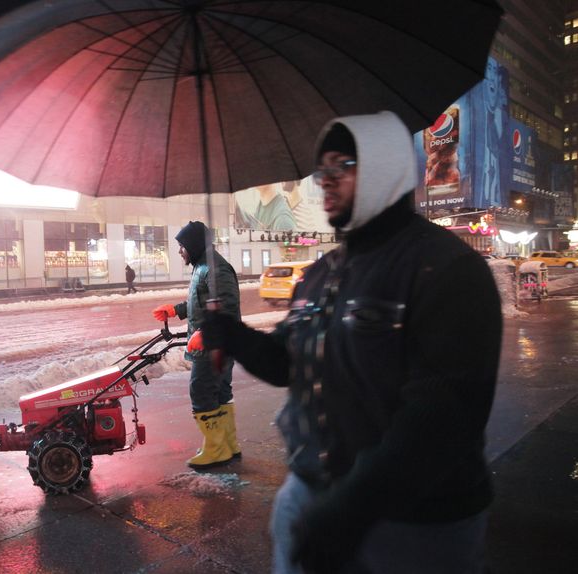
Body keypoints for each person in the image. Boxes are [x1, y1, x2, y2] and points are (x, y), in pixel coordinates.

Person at [201, 111, 502, 573]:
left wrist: (351, 508)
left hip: (416, 527)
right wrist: (234, 336)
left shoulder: (447, 270)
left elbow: (442, 418)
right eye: (322, 169)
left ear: (384, 167)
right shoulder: (322, 274)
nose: (326, 179)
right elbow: (287, 364)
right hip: (312, 502)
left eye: (343, 165)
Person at [151, 221, 242, 469]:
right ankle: (228, 444)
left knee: (201, 391)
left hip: (213, 346)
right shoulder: (203, 266)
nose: (180, 251)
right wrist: (176, 309)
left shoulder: (215, 269)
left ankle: (215, 450)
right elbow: (202, 301)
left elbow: (228, 306)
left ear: (193, 244)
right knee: (220, 392)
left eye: (181, 246)